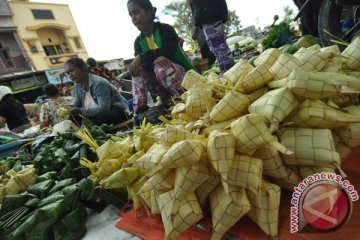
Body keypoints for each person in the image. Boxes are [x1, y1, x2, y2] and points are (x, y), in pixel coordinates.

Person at [127, 0, 194, 114]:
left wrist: (143, 57)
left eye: (136, 12)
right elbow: (144, 65)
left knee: (162, 65)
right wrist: (149, 60)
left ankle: (184, 101)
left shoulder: (165, 29)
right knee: (137, 71)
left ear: (148, 12)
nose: (133, 18)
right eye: (131, 14)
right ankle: (140, 112)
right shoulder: (138, 42)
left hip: (185, 78)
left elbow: (168, 51)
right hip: (160, 85)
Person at [64, 58, 129, 126]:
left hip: (116, 111)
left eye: (72, 71)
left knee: (104, 117)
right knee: (72, 118)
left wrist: (81, 111)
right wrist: (67, 108)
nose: (70, 75)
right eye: (68, 73)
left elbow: (103, 108)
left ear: (83, 68)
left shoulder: (99, 83)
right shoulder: (78, 85)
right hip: (95, 114)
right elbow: (76, 103)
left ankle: (89, 129)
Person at [188, 0, 234, 74]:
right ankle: (226, 73)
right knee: (217, 50)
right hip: (207, 14)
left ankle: (231, 73)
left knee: (220, 49)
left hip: (208, 13)